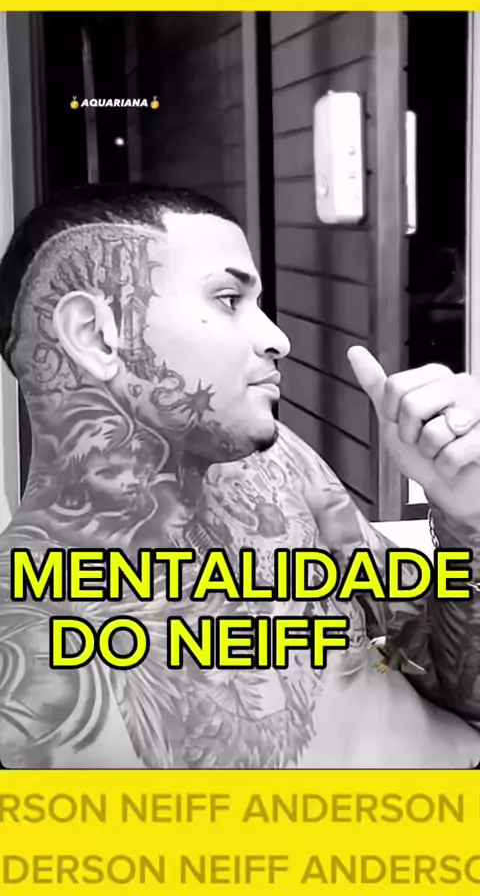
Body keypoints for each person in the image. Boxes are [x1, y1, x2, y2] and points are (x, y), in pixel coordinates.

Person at [0, 183, 480, 771]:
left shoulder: (274, 467)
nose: (278, 339)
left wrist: (466, 518)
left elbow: (443, 669)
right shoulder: (30, 668)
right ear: (96, 334)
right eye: (229, 299)